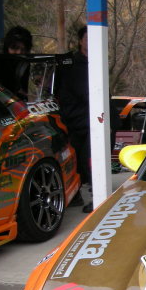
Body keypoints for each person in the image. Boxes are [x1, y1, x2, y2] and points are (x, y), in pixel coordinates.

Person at [58, 26, 92, 212]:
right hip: (76, 119)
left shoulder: (96, 61)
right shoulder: (72, 65)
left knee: (89, 158)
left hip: (93, 120)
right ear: (80, 41)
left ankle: (96, 194)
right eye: (87, 38)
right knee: (79, 159)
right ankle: (78, 193)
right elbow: (85, 93)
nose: (90, 42)